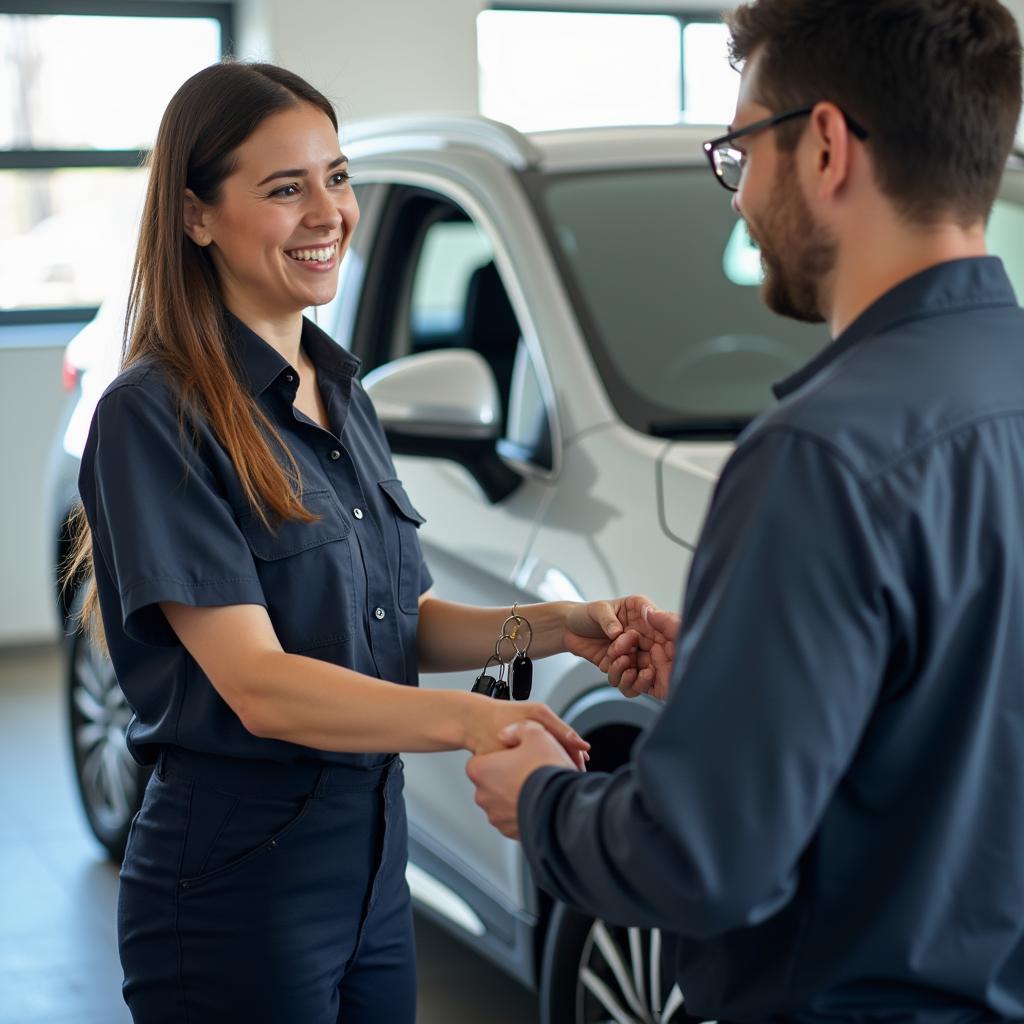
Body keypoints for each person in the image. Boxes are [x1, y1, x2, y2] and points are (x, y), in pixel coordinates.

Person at [64, 60, 657, 1024]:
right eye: (284, 187)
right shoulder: (156, 416)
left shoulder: (340, 391)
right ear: (195, 214)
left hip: (375, 867)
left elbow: (395, 620)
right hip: (237, 885)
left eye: (335, 178)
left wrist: (560, 624)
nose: (328, 212)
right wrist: (470, 723)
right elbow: (259, 686)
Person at [468, 1, 1024, 1020]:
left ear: (822, 146)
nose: (736, 198)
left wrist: (542, 801)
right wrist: (741, 692)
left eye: (738, 149)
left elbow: (706, 859)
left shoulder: (816, 456)